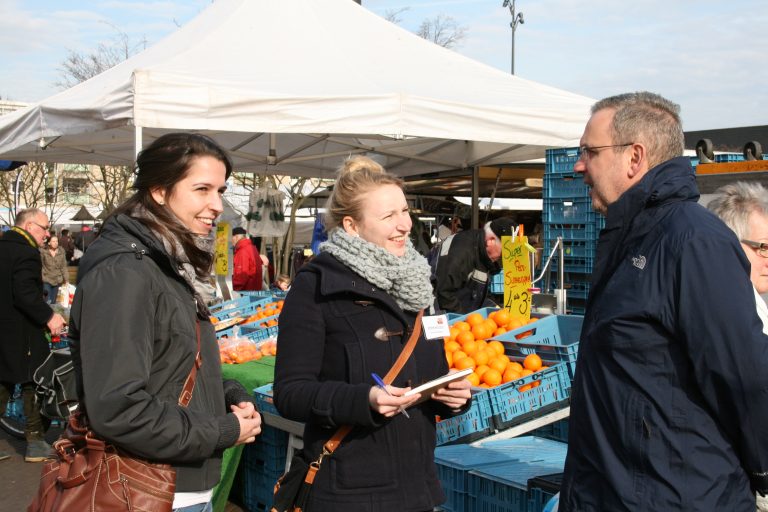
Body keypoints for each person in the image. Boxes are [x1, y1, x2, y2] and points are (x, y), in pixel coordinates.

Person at [560, 92, 768, 511]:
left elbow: (743, 376)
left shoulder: (692, 240)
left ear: (634, 157)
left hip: (674, 496)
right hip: (615, 491)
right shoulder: (629, 235)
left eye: (590, 152)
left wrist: (761, 468)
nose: (579, 165)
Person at [67, 133, 263, 512]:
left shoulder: (168, 263)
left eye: (220, 190)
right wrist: (222, 430)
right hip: (149, 489)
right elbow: (119, 407)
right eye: (202, 189)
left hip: (175, 484)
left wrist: (225, 394)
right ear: (159, 191)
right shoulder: (125, 271)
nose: (216, 205)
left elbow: (166, 367)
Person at [273, 156, 472, 512]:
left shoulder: (418, 283)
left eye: (405, 211)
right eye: (388, 216)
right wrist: (364, 400)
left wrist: (452, 396)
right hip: (349, 494)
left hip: (418, 489)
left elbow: (431, 373)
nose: (404, 225)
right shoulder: (316, 287)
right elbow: (290, 393)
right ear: (351, 226)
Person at [0, 208, 67, 462]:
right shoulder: (26, 252)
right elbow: (25, 293)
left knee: (4, 381)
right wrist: (49, 316)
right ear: (28, 226)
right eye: (44, 228)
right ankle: (35, 442)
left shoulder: (3, 247)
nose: (47, 234)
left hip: (4, 329)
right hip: (23, 331)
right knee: (35, 381)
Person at [431, 216, 515, 314]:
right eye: (504, 250)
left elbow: (478, 294)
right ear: (491, 241)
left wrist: (495, 308)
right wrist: (463, 319)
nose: (504, 256)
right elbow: (444, 293)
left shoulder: (482, 251)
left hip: (462, 313)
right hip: (437, 313)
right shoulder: (462, 252)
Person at [231, 226, 263, 291]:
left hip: (246, 292)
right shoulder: (252, 248)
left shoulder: (242, 251)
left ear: (236, 237)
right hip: (254, 290)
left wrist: (233, 289)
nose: (231, 241)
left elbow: (241, 275)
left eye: (231, 238)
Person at [40, 235, 69, 305]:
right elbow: (40, 265)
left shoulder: (61, 252)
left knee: (53, 301)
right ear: (49, 243)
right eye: (53, 241)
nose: (55, 243)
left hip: (57, 279)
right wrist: (42, 275)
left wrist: (66, 280)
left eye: (56, 241)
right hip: (47, 279)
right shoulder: (44, 252)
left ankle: (52, 311)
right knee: (47, 300)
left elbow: (63, 267)